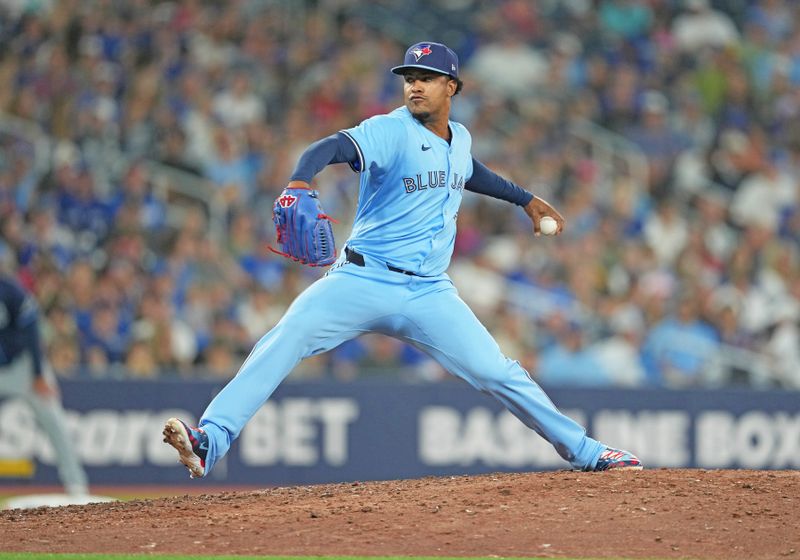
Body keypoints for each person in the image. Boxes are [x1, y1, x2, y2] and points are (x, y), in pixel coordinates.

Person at [163, 41, 642, 478]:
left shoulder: (462, 138)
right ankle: (211, 440)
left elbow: (468, 170)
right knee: (284, 338)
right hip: (361, 278)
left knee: (498, 372)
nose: (415, 84)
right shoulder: (388, 131)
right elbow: (328, 147)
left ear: (451, 87)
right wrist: (299, 180)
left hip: (430, 292)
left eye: (427, 77)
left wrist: (525, 199)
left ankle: (587, 453)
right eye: (410, 77)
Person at [0, 268, 89, 496]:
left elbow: (31, 332)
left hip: (24, 366)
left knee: (54, 422)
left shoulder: (10, 291)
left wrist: (38, 374)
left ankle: (76, 485)